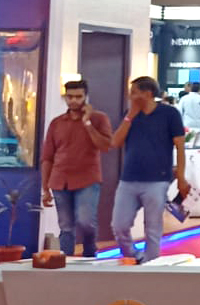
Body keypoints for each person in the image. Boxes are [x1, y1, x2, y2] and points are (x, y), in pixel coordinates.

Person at [108, 77, 186, 263]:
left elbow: (180, 146)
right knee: (119, 225)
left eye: (134, 92)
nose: (130, 96)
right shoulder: (129, 115)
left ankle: (151, 264)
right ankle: (134, 256)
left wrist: (181, 178)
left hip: (157, 180)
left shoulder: (169, 114)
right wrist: (130, 116)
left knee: (152, 228)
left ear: (148, 94)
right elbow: (115, 142)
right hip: (128, 179)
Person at [40, 79, 112, 258]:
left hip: (87, 179)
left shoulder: (99, 119)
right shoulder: (57, 123)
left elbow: (105, 146)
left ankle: (89, 255)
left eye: (78, 97)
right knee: (66, 226)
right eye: (70, 97)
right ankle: (66, 261)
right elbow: (47, 157)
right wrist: (45, 188)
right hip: (59, 180)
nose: (73, 100)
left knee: (86, 222)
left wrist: (88, 123)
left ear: (86, 97)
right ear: (65, 97)